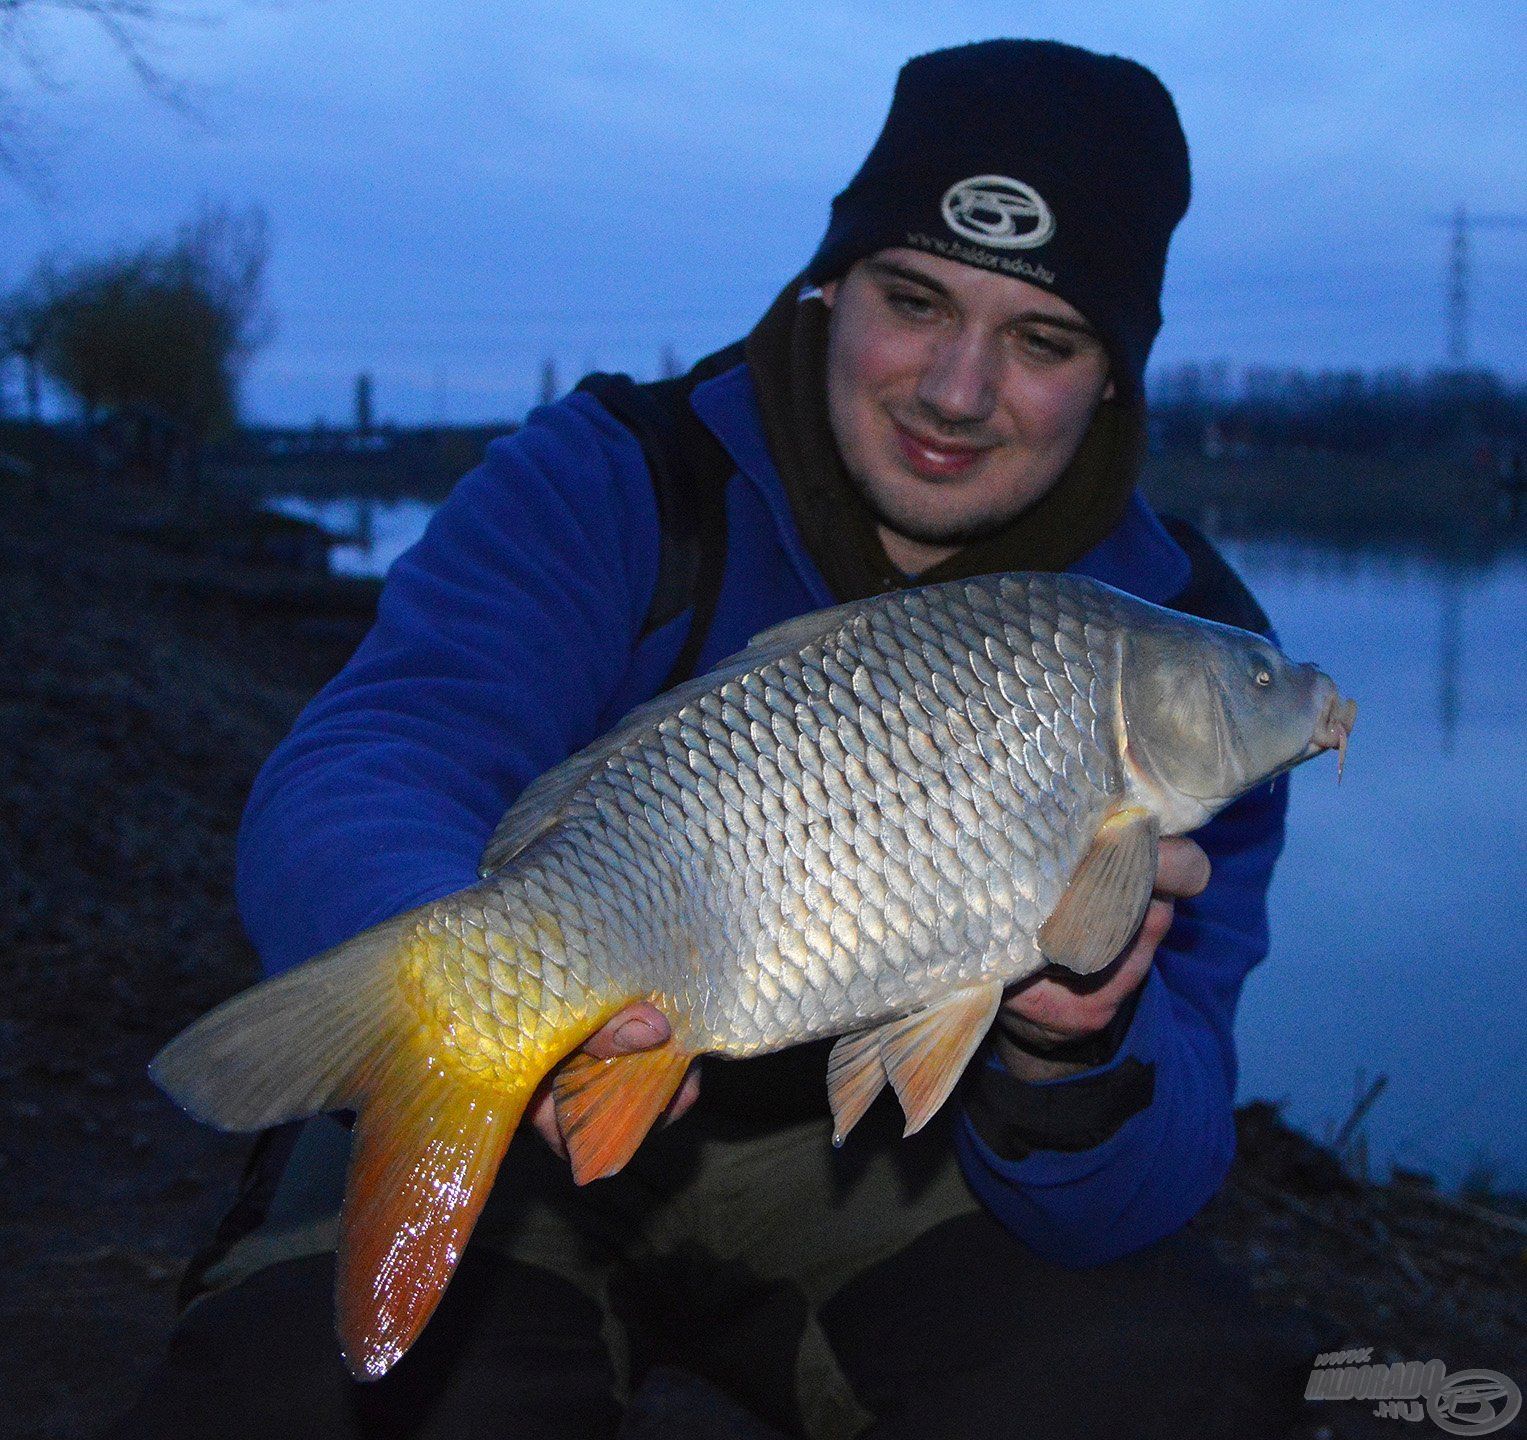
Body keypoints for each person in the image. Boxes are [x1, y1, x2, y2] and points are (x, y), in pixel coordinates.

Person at [113, 39, 1316, 1440]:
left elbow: (1153, 1176)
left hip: (893, 1174)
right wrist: (477, 988)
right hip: (551, 1106)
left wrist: (1066, 1053)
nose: (956, 388)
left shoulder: (1184, 651)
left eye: (1042, 341)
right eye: (913, 300)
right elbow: (381, 752)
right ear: (828, 288)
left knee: (1174, 1393)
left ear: (1114, 378)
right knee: (307, 1405)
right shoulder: (616, 475)